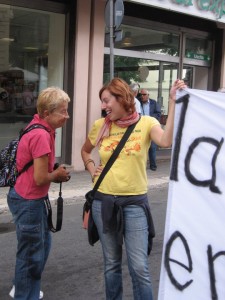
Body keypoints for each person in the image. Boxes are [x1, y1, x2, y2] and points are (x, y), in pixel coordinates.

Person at [81, 77, 186, 300]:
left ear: (122, 98)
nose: (103, 106)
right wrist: (92, 170)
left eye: (107, 100)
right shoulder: (100, 126)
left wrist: (173, 102)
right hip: (104, 202)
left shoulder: (147, 123)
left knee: (139, 268)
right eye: (102, 101)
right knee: (111, 264)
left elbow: (166, 141)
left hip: (135, 203)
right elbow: (85, 151)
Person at [7, 86, 71, 300]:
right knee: (31, 255)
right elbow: (40, 178)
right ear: (46, 113)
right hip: (29, 201)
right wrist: (58, 175)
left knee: (39, 247)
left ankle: (23, 288)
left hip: (27, 198)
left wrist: (52, 170)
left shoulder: (38, 127)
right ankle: (25, 294)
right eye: (63, 111)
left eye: (67, 110)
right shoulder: (41, 135)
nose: (67, 116)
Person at [139, 88, 161, 171]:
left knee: (152, 147)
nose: (142, 96)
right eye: (141, 94)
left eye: (144, 94)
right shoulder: (138, 103)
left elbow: (158, 113)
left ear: (148, 95)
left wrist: (150, 120)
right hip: (141, 128)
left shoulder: (153, 103)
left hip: (151, 127)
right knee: (141, 147)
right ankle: (141, 166)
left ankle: (153, 165)